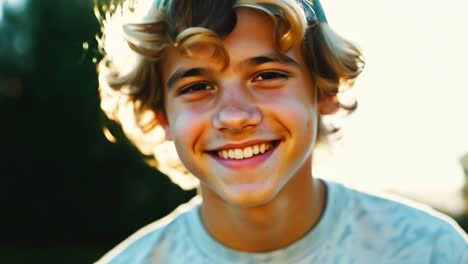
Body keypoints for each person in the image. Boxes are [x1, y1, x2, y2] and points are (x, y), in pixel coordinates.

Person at [94, 0, 468, 263]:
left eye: (267, 76)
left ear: (325, 90)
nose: (235, 116)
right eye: (196, 86)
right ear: (162, 116)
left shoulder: (431, 251)